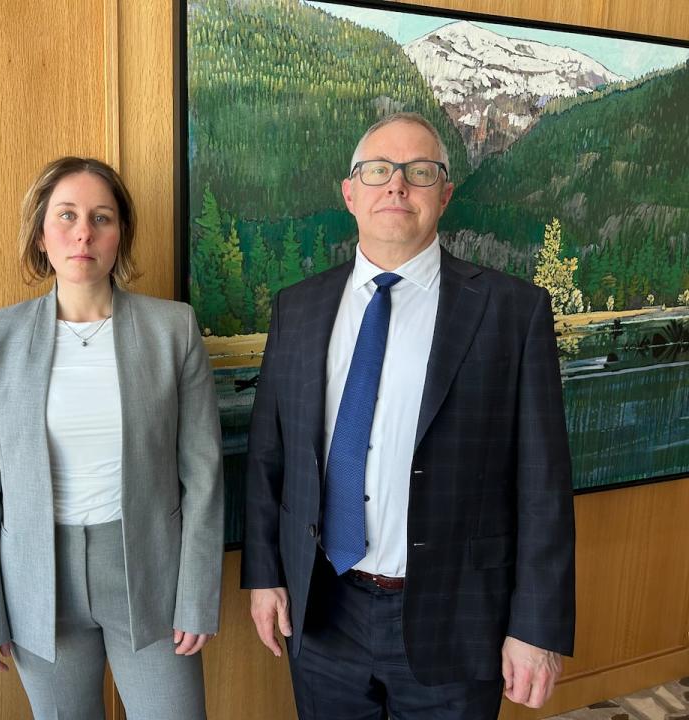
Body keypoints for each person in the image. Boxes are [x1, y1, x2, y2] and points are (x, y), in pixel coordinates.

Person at [241, 112, 575, 719]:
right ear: (350, 192)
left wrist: (537, 628)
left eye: (419, 172)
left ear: (444, 194)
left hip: (456, 618)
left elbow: (544, 486)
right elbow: (270, 457)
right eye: (377, 171)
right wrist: (264, 578)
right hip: (323, 611)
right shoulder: (298, 308)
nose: (396, 186)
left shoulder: (512, 312)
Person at [0, 156, 223, 720]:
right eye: (67, 216)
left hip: (150, 578)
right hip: (37, 587)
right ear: (41, 233)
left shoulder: (172, 329)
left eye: (101, 217)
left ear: (119, 234)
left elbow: (203, 476)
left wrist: (197, 596)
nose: (84, 232)